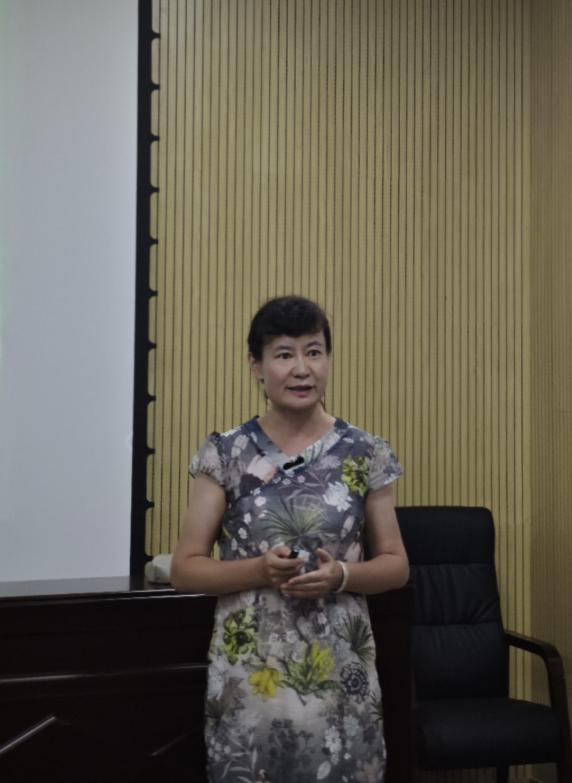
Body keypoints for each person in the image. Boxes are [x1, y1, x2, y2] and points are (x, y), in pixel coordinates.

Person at [170, 295, 409, 783]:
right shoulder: (226, 453)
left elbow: (396, 565)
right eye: (284, 354)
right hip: (251, 680)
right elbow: (185, 568)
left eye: (314, 352)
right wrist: (259, 570)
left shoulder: (365, 452)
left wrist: (342, 576)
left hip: (341, 679)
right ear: (256, 366)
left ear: (328, 359)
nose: (302, 368)